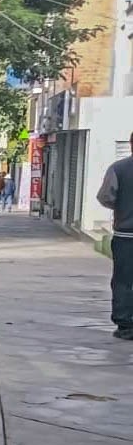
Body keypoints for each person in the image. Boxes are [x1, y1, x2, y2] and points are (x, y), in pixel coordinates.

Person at [94, 134, 133, 341]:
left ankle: (126, 325)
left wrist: (121, 207)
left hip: (126, 235)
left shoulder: (118, 168)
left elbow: (105, 196)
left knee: (123, 281)